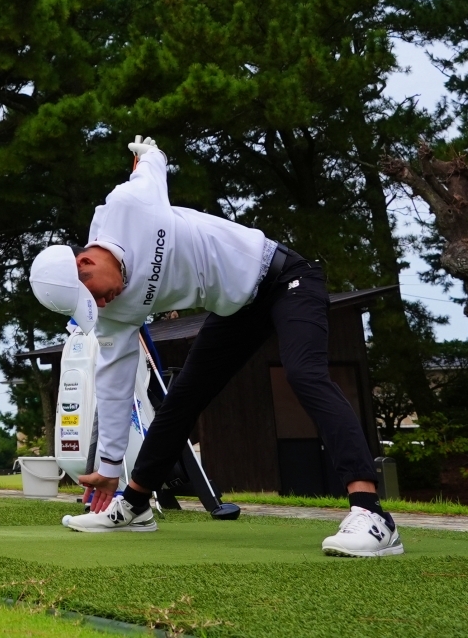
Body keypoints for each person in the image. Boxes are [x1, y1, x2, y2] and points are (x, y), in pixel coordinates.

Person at [29, 136, 403, 557]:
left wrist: (147, 152)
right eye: (89, 307)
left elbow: (153, 165)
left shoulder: (127, 206)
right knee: (181, 401)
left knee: (304, 373)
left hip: (284, 279)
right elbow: (114, 385)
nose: (99, 305)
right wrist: (110, 468)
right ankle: (134, 506)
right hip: (235, 309)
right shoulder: (113, 313)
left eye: (92, 294)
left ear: (85, 262)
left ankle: (373, 516)